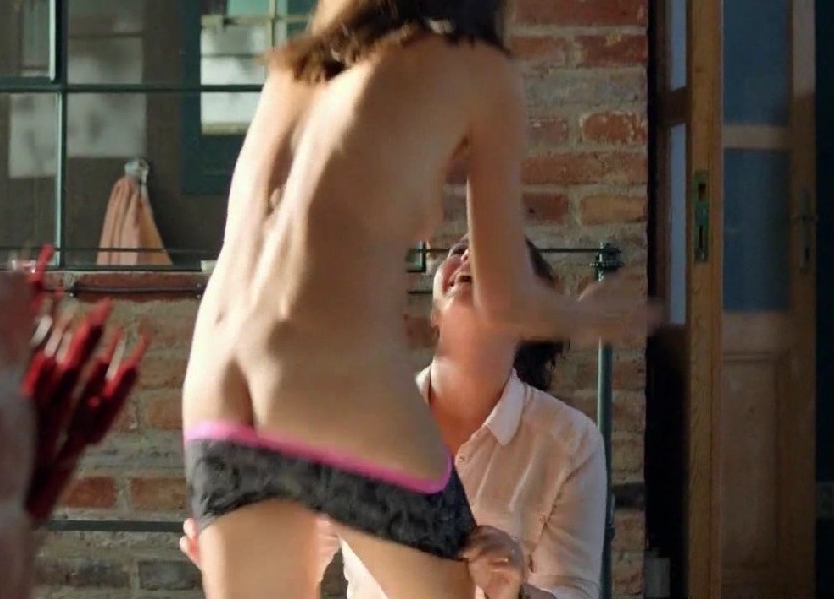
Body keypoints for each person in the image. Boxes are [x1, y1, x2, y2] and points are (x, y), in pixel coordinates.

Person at [178, 0, 652, 599]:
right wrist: (586, 314)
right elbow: (506, 297)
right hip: (327, 376)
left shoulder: (289, 78)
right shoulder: (478, 69)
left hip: (215, 387)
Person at [180, 236, 607, 599]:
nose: (468, 258)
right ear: (435, 311)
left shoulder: (571, 443)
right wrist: (237, 564)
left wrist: (515, 592)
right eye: (458, 251)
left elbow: (575, 591)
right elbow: (298, 569)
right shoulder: (359, 426)